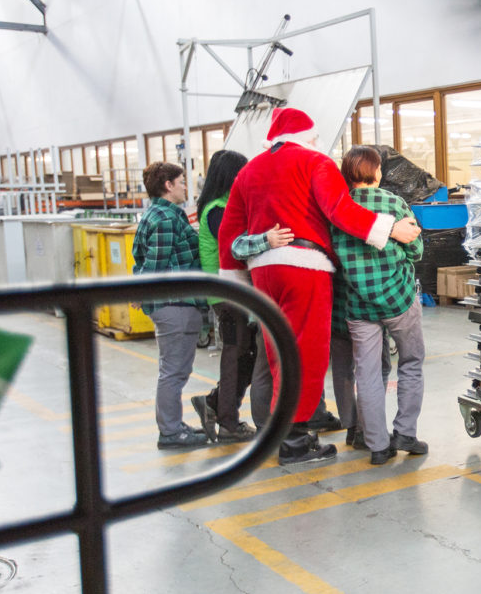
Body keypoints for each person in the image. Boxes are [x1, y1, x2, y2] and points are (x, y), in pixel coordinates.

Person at [216, 107, 421, 465]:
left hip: (263, 272)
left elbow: (229, 229)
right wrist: (389, 228)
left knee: (278, 352)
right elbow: (339, 210)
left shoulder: (249, 170)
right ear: (309, 137)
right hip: (304, 267)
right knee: (307, 352)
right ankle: (296, 441)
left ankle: (282, 431)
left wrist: (234, 279)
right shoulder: (315, 162)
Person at [333, 146, 427, 465]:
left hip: (358, 306)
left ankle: (377, 445)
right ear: (376, 172)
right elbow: (416, 250)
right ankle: (405, 433)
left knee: (368, 374)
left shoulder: (339, 209)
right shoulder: (393, 203)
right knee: (411, 361)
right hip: (399, 299)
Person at [192, 150, 279, 443]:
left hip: (237, 291)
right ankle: (227, 421)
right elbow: (235, 244)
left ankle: (215, 404)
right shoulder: (218, 209)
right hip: (226, 293)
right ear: (231, 175)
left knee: (246, 352)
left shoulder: (226, 204)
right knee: (236, 352)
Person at [132, 161, 209, 449]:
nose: (185, 187)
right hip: (174, 304)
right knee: (173, 371)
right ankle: (170, 431)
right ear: (168, 185)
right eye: (182, 181)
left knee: (175, 369)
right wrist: (140, 290)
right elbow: (155, 265)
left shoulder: (160, 213)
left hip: (175, 304)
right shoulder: (165, 218)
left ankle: (172, 424)